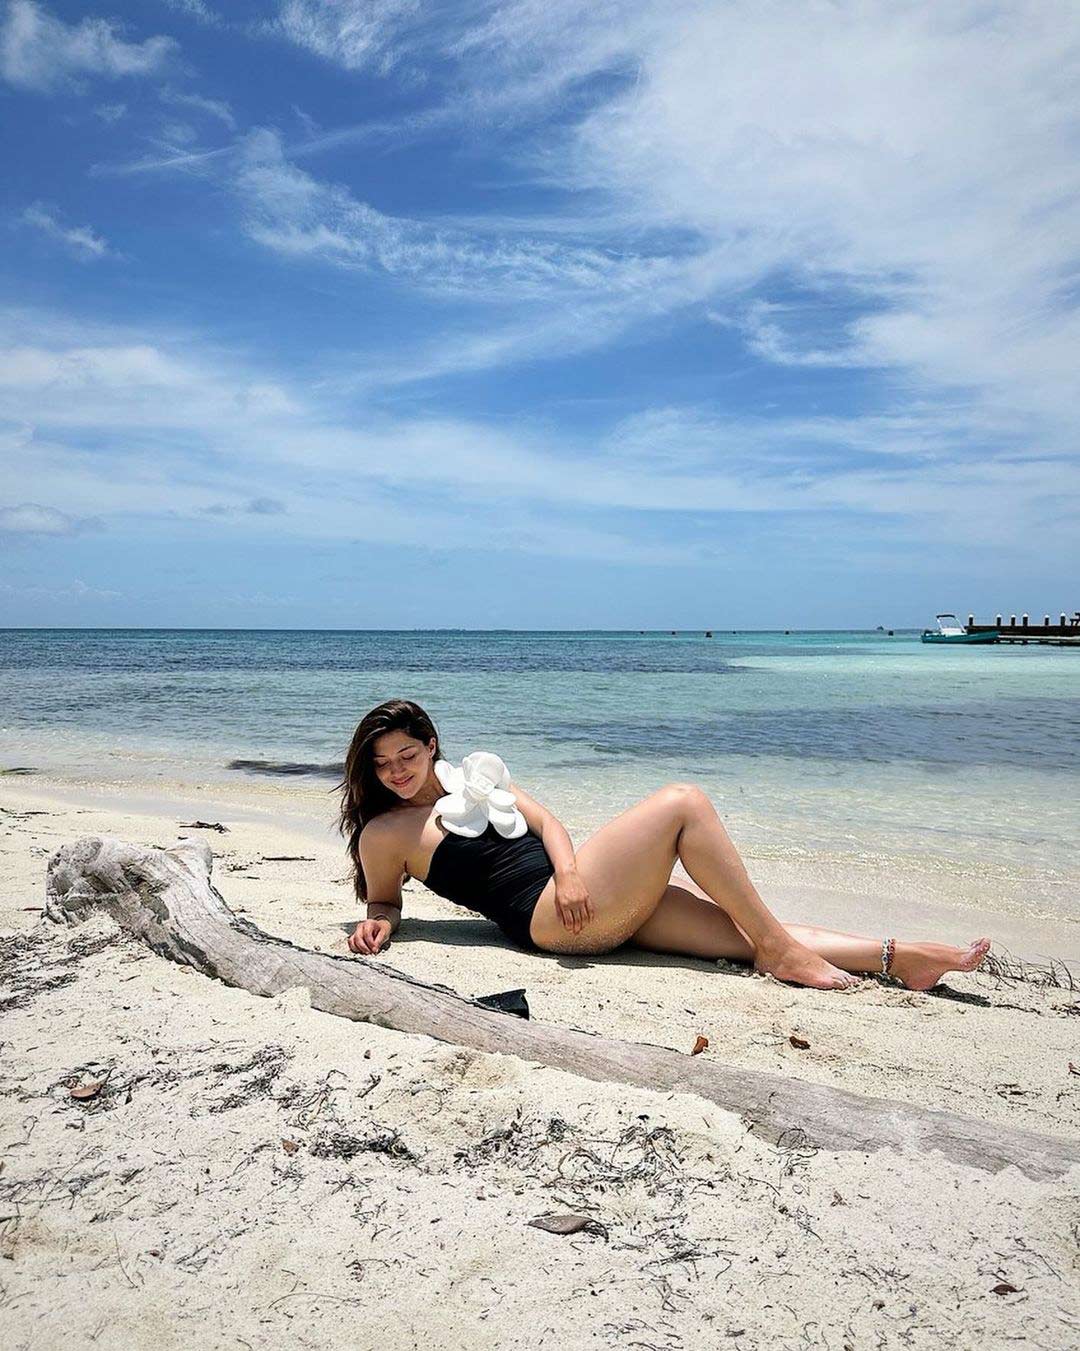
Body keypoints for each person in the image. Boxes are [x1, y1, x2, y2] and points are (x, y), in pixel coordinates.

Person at [340, 700, 990, 992]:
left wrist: (569, 871)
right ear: (369, 771)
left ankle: (900, 956)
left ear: (431, 747)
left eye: (408, 754)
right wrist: (377, 928)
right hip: (545, 920)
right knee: (682, 801)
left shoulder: (474, 780)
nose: (398, 769)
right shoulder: (384, 834)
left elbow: (549, 824)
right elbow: (385, 903)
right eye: (384, 763)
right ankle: (783, 952)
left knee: (749, 933)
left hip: (580, 891)